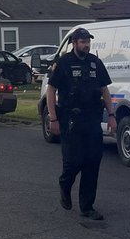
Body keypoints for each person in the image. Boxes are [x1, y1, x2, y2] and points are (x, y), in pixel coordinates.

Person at [46, 28, 116, 221]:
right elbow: (51, 90)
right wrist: (53, 118)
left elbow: (105, 90)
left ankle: (87, 206)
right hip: (70, 120)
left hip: (92, 119)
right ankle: (65, 184)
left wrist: (111, 115)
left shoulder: (95, 63)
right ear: (74, 43)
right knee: (73, 161)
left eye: (88, 41)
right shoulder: (64, 63)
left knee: (93, 162)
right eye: (82, 41)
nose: (86, 45)